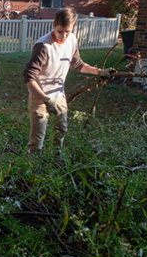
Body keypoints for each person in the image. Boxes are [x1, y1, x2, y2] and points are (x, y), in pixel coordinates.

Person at [23, 8, 113, 152]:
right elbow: (28, 77)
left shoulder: (71, 40)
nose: (63, 35)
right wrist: (46, 100)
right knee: (38, 137)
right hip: (39, 96)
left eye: (67, 31)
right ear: (53, 25)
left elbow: (77, 63)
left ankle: (55, 159)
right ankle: (33, 165)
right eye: (60, 31)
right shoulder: (44, 46)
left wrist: (99, 72)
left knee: (61, 130)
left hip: (59, 94)